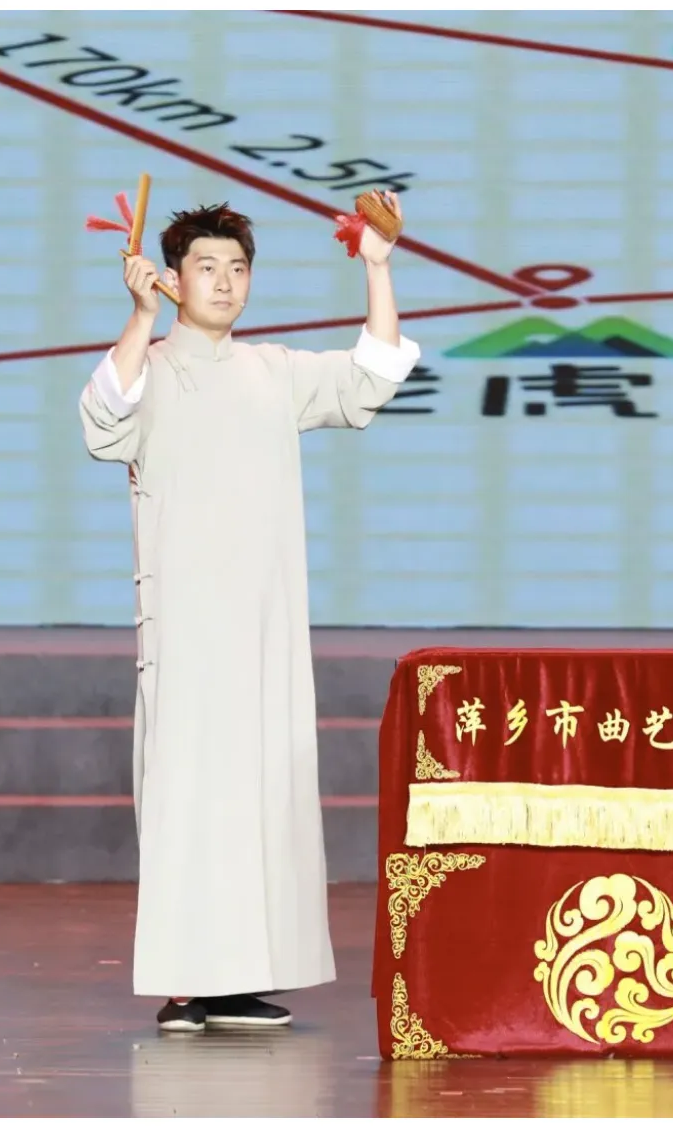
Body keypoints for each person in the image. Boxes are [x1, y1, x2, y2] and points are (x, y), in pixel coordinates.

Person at [78, 196, 419, 1032]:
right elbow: (104, 422)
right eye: (206, 267)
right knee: (190, 797)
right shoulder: (151, 365)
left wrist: (377, 267)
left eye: (237, 269)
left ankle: (237, 978)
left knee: (262, 800)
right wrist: (138, 317)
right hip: (189, 629)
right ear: (172, 278)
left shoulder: (274, 371)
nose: (225, 282)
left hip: (265, 629)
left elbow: (371, 375)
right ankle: (184, 984)